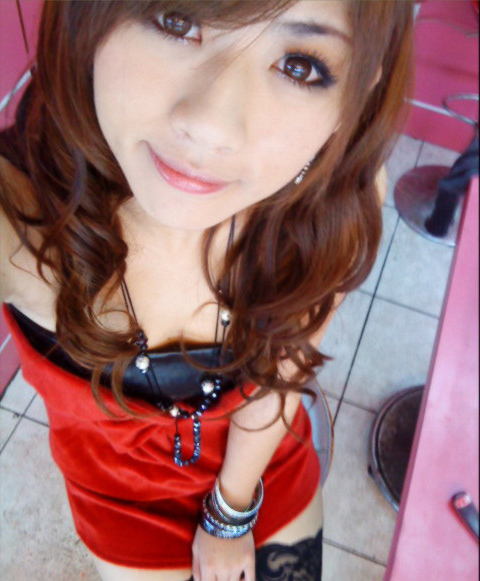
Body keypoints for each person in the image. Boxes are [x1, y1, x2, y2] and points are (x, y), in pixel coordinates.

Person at [0, 1, 413, 579]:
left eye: (299, 65)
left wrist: (230, 516)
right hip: (119, 496)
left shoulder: (333, 208)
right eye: (176, 19)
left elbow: (284, 372)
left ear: (353, 99)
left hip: (259, 457)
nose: (211, 126)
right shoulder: (23, 223)